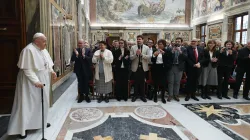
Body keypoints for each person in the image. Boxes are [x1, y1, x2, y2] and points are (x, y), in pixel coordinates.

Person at [7, 33, 57, 139]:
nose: (46, 43)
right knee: (27, 104)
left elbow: (47, 64)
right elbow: (27, 69)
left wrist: (52, 71)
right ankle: (22, 129)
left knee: (41, 102)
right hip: (29, 82)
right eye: (44, 41)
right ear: (37, 41)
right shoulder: (28, 50)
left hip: (43, 80)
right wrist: (36, 81)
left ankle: (40, 122)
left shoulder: (43, 50)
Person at [130, 35, 151, 102]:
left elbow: (149, 57)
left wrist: (142, 55)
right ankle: (135, 96)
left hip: (143, 67)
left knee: (142, 82)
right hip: (135, 67)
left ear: (143, 40)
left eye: (140, 39)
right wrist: (136, 54)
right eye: (137, 39)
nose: (138, 40)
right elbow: (131, 58)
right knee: (135, 82)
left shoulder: (147, 47)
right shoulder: (133, 47)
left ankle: (142, 96)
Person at [166, 37, 187, 102]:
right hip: (172, 66)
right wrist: (172, 52)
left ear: (181, 42)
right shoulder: (170, 48)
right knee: (171, 81)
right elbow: (167, 57)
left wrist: (180, 51)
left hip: (179, 67)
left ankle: (176, 95)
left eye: (179, 41)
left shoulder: (184, 49)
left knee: (177, 82)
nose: (177, 42)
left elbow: (185, 58)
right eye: (176, 41)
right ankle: (170, 95)